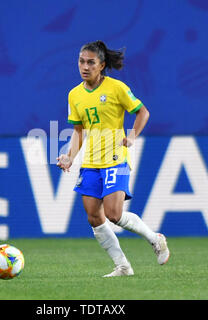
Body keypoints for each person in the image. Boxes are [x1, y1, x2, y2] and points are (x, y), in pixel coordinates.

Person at [57, 40, 170, 277]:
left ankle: (155, 238)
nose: (85, 67)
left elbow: (143, 112)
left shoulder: (116, 88)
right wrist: (69, 157)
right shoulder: (74, 95)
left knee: (114, 214)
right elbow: (79, 131)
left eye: (91, 62)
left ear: (102, 65)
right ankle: (123, 266)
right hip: (90, 163)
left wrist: (132, 135)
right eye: (81, 61)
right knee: (93, 217)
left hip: (115, 158)